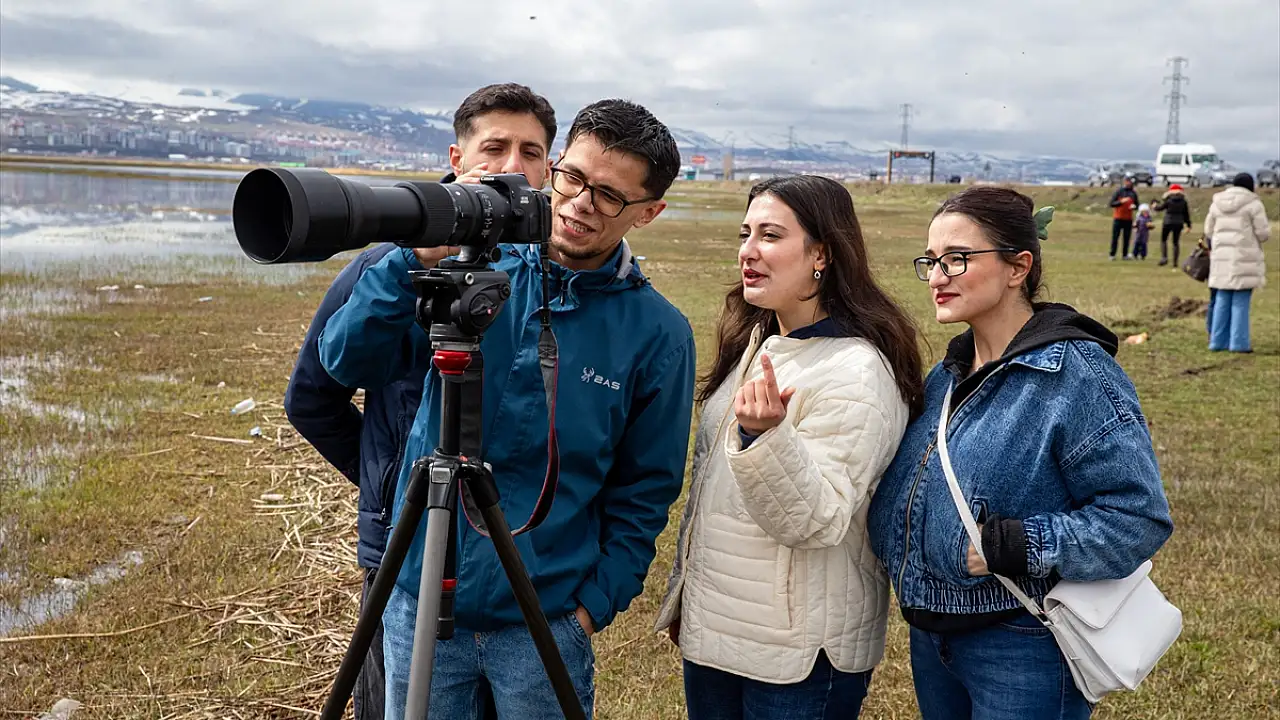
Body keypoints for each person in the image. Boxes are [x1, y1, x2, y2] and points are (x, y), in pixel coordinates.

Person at [319, 98, 695, 719]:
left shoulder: (657, 335)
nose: (577, 204)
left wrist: (591, 608)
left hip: (543, 621)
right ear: (555, 167)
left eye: (609, 196)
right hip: (419, 602)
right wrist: (414, 259)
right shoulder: (473, 268)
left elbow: (646, 491)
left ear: (649, 213)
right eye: (571, 177)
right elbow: (343, 360)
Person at [283, 82, 557, 719]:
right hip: (399, 550)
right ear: (457, 157)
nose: (512, 167)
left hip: (510, 558)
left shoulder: (548, 276)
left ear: (550, 167)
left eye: (532, 151)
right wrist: (398, 485)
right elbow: (313, 397)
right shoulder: (388, 260)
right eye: (495, 147)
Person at [867, 186, 1175, 720]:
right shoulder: (946, 377)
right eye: (932, 261)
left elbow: (1137, 517)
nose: (938, 277)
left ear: (1018, 267)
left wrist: (1020, 544)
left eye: (957, 259)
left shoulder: (1074, 376)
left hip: (1021, 641)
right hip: (932, 639)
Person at [653, 175, 924, 720]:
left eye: (771, 235)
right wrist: (692, 598)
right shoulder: (757, 342)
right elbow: (714, 491)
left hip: (797, 654)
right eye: (745, 232)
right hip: (721, 633)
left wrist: (763, 437)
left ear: (822, 252)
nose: (748, 251)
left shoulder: (856, 370)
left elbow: (817, 519)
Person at [1204, 172, 1270, 353]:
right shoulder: (1253, 204)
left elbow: (1208, 230)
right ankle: (1239, 343)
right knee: (1240, 302)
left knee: (1222, 299)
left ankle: (1217, 341)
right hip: (1244, 258)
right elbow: (1263, 233)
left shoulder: (1217, 202)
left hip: (1221, 258)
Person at [1152, 183, 1193, 268]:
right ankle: (1175, 262)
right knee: (1175, 242)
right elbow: (1186, 214)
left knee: (1164, 239)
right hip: (1179, 223)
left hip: (1168, 222)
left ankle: (1164, 258)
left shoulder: (1168, 200)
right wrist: (1188, 225)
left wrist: (1154, 206)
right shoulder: (1183, 201)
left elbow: (1160, 208)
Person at [1107, 177, 1140, 260]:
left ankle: (1125, 255)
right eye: (1128, 182)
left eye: (1131, 182)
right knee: (1115, 237)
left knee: (1126, 238)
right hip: (1118, 218)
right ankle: (1112, 254)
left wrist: (1134, 207)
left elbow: (1137, 205)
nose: (1129, 184)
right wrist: (1121, 202)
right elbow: (1111, 203)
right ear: (1125, 182)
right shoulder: (1119, 191)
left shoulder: (1133, 193)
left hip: (1128, 219)